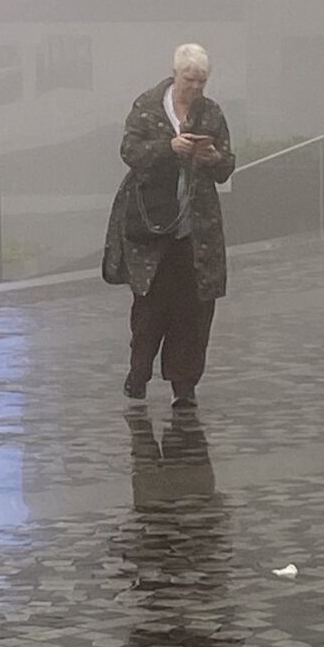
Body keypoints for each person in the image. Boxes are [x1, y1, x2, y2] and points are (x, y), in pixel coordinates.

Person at [102, 42, 235, 410]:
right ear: (175, 74)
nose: (196, 87)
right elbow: (129, 151)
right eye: (190, 79)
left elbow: (226, 167)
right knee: (150, 308)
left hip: (197, 229)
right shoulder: (147, 107)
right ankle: (139, 372)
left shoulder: (211, 113)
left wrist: (213, 157)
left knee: (194, 310)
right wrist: (168, 147)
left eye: (202, 81)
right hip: (151, 224)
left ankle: (184, 384)